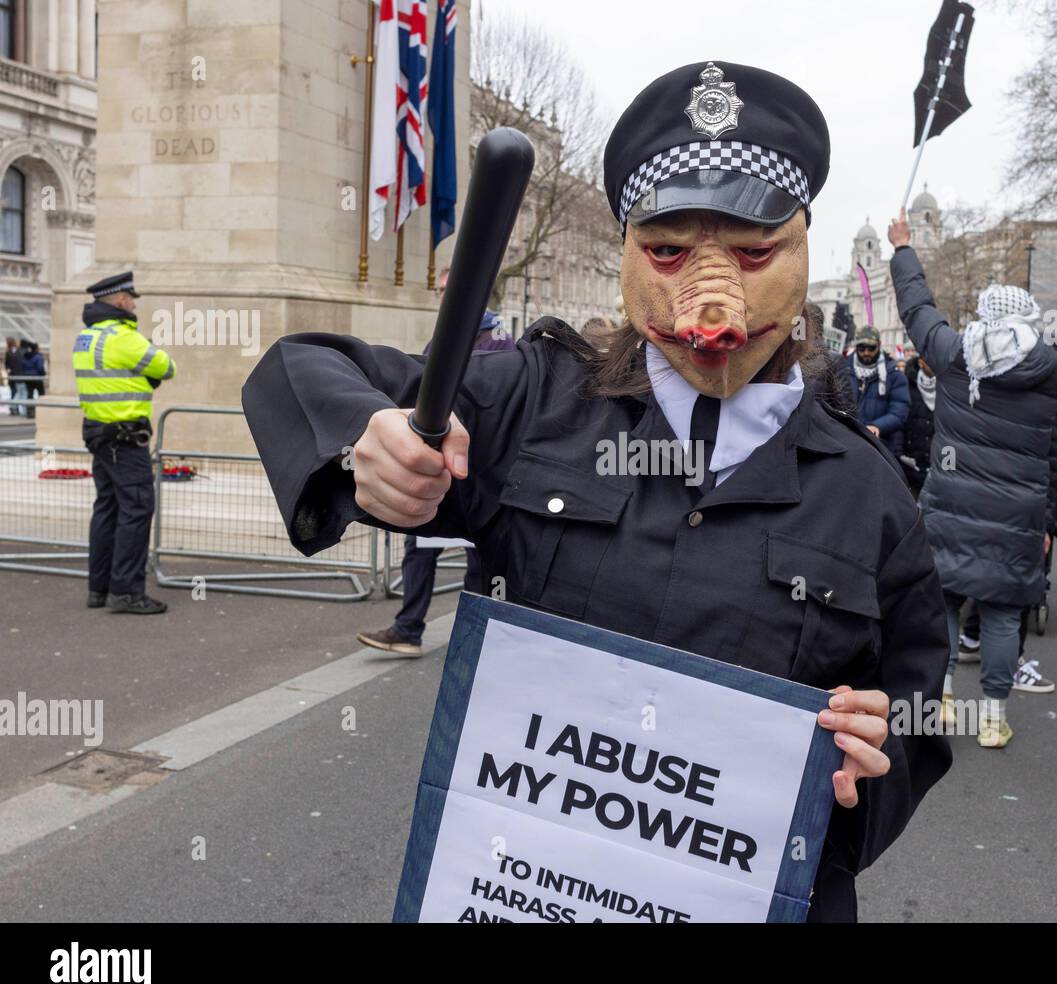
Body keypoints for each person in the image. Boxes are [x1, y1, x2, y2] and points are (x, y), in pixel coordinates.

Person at [243, 61, 952, 922]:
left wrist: (867, 771)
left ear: (803, 251)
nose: (710, 308)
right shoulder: (533, 400)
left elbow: (919, 713)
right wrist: (370, 438)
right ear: (628, 253)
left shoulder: (870, 494)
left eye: (755, 253)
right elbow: (304, 364)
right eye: (668, 252)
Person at [888, 209, 1057, 746]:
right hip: (1016, 515)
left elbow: (918, 310)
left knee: (944, 601)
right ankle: (994, 715)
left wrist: (904, 249)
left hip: (950, 504)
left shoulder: (955, 357)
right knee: (1001, 613)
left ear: (983, 317)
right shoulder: (1054, 372)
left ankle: (944, 695)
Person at [358, 312, 513, 655]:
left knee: (478, 562)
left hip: (478, 476)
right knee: (421, 553)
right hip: (440, 471)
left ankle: (472, 637)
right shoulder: (441, 346)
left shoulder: (501, 347)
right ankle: (409, 628)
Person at [76, 271, 176, 615]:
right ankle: (127, 592)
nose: (133, 303)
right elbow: (166, 367)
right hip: (125, 440)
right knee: (136, 508)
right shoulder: (123, 338)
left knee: (107, 508)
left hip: (99, 435)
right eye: (130, 298)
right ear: (119, 301)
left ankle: (99, 588)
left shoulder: (86, 338)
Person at [836, 328, 910, 454]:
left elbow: (899, 411)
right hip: (845, 442)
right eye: (861, 348)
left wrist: (877, 426)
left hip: (880, 445)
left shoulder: (893, 374)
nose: (866, 353)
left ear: (879, 346)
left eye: (871, 348)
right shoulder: (842, 369)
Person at [899, 354, 936, 494]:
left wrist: (948, 465)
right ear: (921, 362)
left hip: (940, 465)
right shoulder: (906, 383)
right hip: (911, 464)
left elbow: (951, 429)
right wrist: (900, 455)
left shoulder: (948, 385)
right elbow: (900, 421)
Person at [4, 337, 23, 415]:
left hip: (18, 374)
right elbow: (7, 363)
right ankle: (14, 409)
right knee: (13, 391)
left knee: (17, 392)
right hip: (12, 375)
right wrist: (8, 369)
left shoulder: (19, 351)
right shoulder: (8, 352)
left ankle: (15, 408)